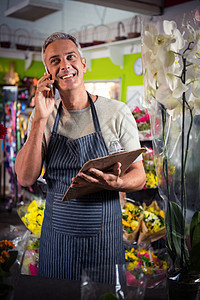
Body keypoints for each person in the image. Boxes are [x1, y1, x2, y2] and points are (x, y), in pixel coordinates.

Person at [15, 32, 146, 283]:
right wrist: (40, 118)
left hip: (105, 237)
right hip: (57, 236)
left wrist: (118, 184)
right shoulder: (43, 116)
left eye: (70, 57)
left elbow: (139, 177)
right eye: (55, 61)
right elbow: (24, 177)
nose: (64, 65)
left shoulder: (117, 112)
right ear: (48, 73)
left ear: (83, 64)